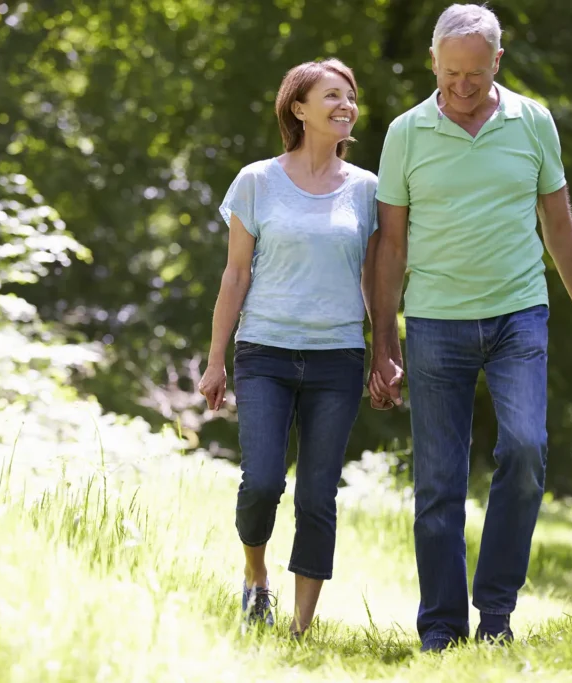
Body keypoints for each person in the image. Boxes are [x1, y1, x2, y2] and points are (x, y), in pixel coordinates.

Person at [368, 4, 572, 651]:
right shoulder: (406, 133)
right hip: (434, 322)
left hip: (518, 315)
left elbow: (560, 229)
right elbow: (390, 247)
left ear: (496, 62)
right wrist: (384, 343)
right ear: (433, 62)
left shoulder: (532, 122)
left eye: (475, 74)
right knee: (439, 481)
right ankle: (442, 628)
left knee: (528, 451)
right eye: (450, 73)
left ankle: (496, 612)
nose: (462, 86)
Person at [197, 58, 380, 638]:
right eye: (331, 95)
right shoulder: (257, 180)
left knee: (318, 493)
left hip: (338, 358)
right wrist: (214, 360)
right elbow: (234, 276)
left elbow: (378, 280)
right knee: (263, 483)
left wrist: (384, 354)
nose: (344, 104)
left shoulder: (369, 191)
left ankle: (300, 630)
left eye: (349, 96)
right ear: (298, 109)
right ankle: (256, 579)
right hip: (265, 352)